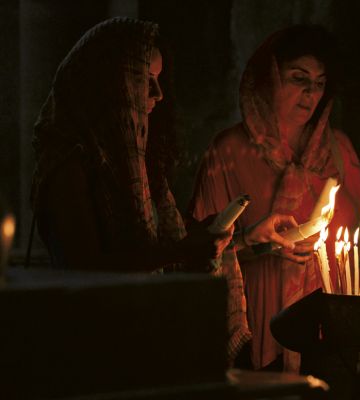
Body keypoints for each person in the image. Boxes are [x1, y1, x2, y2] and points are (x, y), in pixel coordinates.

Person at [30, 17, 296, 274]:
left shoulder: (135, 164)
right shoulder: (69, 164)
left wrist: (239, 238)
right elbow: (87, 269)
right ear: (109, 84)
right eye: (143, 81)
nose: (158, 94)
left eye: (158, 79)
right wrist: (182, 250)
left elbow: (155, 249)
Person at [189, 25, 360, 372]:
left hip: (330, 333)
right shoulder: (228, 152)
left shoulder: (338, 150)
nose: (310, 93)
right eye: (298, 79)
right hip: (260, 328)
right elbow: (194, 254)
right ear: (268, 79)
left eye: (318, 83)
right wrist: (251, 241)